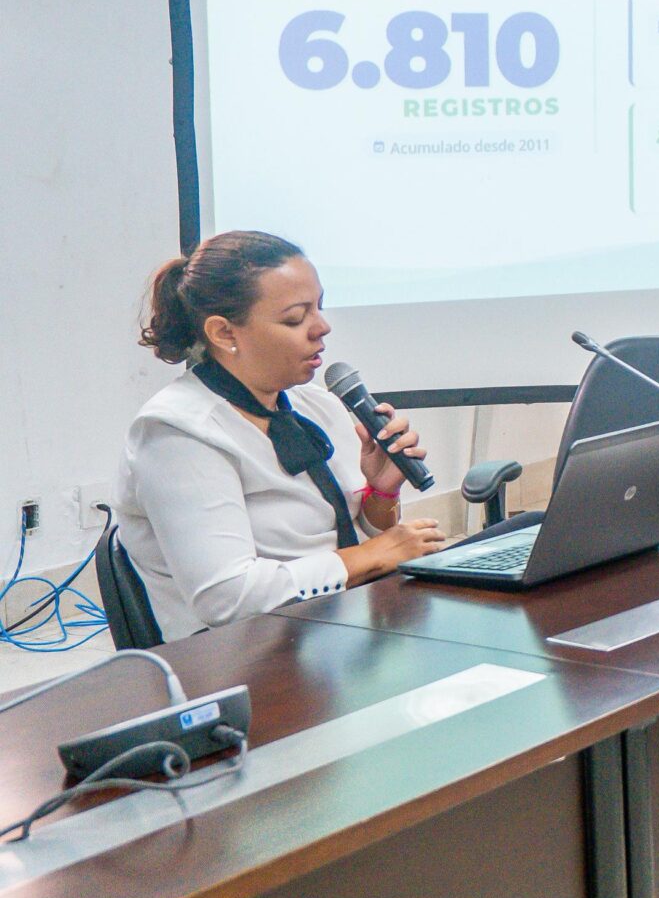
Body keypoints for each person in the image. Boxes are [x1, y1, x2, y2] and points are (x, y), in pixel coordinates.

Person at [111, 231, 446, 639]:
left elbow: (359, 540)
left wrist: (381, 494)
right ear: (224, 333)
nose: (321, 327)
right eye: (295, 318)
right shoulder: (176, 433)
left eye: (319, 308)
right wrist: (369, 556)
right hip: (253, 657)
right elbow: (225, 597)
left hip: (341, 630)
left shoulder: (313, 404)